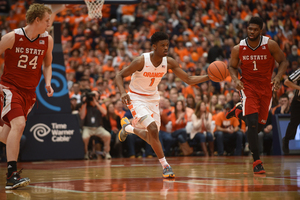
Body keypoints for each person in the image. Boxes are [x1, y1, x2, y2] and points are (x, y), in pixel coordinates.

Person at [115, 32, 209, 178]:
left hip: (153, 98)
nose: (166, 48)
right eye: (162, 45)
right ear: (154, 47)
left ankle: (128, 128)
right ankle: (166, 166)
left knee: (153, 135)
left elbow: (189, 79)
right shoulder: (141, 60)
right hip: (136, 98)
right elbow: (119, 75)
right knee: (152, 129)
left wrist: (209, 76)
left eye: (167, 45)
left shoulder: (169, 62)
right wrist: (122, 92)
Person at [0, 4, 54, 189]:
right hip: (10, 87)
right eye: (47, 20)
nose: (49, 23)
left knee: (6, 136)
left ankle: (12, 173)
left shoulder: (48, 40)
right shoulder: (12, 37)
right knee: (19, 124)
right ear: (37, 19)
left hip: (29, 93)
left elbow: (47, 64)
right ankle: (11, 175)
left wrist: (47, 82)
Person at [226, 17, 288, 174]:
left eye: (255, 29)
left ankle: (239, 111)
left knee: (258, 127)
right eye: (249, 29)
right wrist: (235, 79)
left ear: (261, 30)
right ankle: (257, 161)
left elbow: (283, 62)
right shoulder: (238, 48)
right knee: (252, 124)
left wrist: (277, 77)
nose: (251, 32)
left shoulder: (270, 44)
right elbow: (232, 67)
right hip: (248, 87)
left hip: (266, 89)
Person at [79, 90, 112, 160]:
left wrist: (96, 103)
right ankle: (86, 153)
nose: (93, 97)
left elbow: (105, 113)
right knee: (84, 137)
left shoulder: (101, 104)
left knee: (107, 135)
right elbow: (82, 117)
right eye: (92, 95)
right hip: (87, 128)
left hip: (98, 127)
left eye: (95, 96)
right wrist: (85, 103)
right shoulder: (85, 105)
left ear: (97, 97)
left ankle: (106, 152)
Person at [282, 68, 300, 154]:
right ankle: (286, 140)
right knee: (294, 124)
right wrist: (299, 88)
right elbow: (286, 82)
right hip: (298, 102)